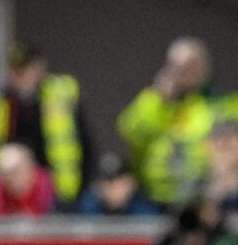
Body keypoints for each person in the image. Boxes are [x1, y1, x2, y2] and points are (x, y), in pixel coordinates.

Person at [0, 41, 91, 209]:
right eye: (15, 71)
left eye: (25, 71)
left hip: (56, 192)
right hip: (7, 194)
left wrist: (80, 191)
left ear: (39, 69)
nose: (20, 78)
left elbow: (84, 143)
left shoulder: (59, 98)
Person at [118, 37, 216, 208]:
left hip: (199, 197)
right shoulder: (152, 100)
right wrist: (161, 101)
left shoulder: (212, 103)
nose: (184, 73)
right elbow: (130, 133)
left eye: (191, 66)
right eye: (179, 67)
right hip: (152, 196)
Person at [0, 142, 56, 218]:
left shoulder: (49, 189)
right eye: (4, 173)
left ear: (30, 168)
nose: (10, 179)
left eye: (16, 172)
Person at [77, 152, 160, 217]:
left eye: (119, 182)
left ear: (131, 183)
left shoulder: (145, 209)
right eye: (107, 182)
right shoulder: (87, 207)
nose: (113, 189)